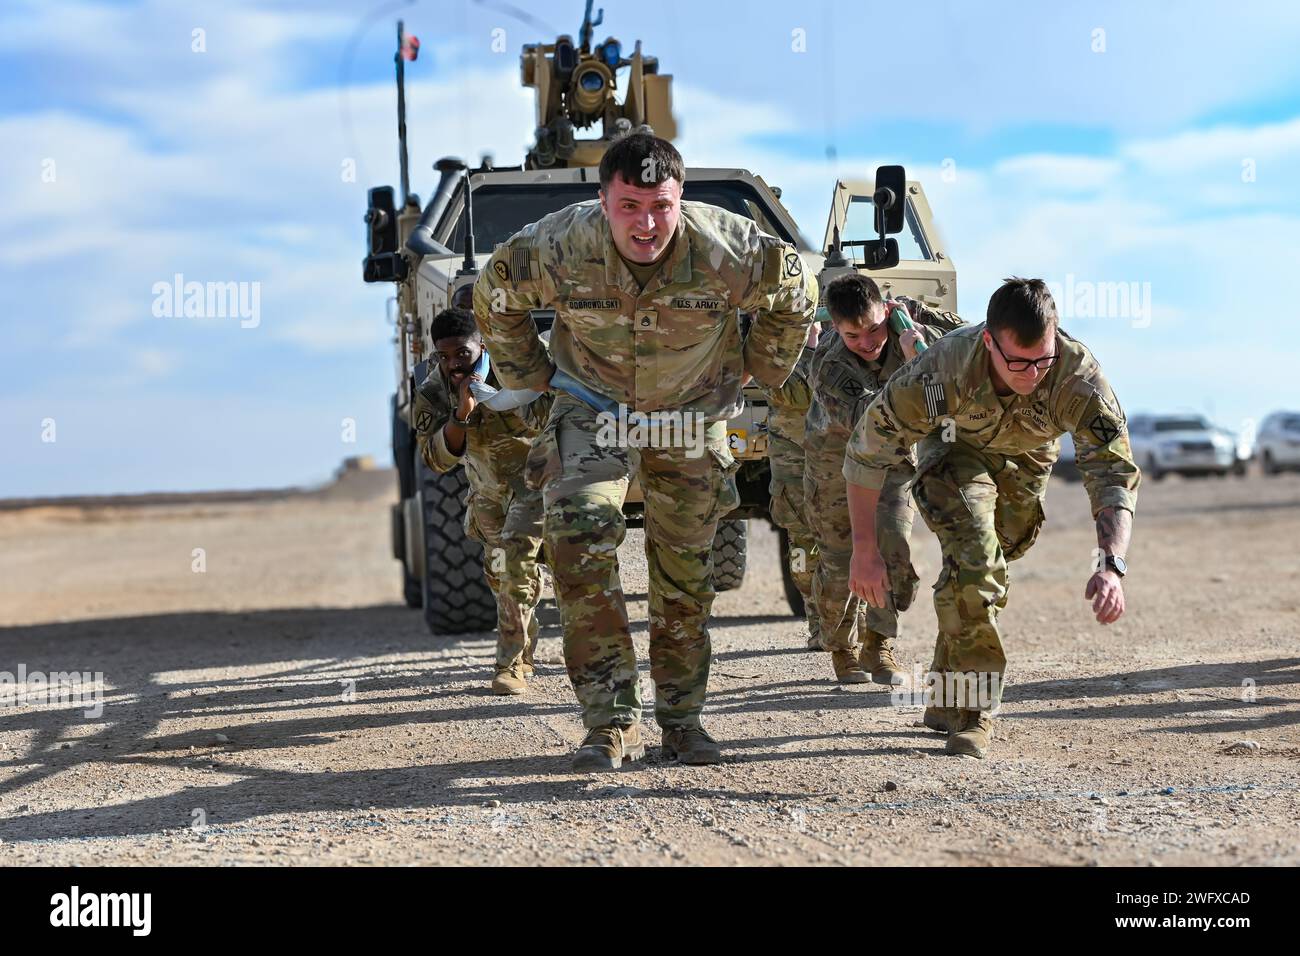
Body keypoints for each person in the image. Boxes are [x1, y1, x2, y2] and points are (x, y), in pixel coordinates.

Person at [474, 131, 816, 770]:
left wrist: (758, 368)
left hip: (690, 415)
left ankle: (682, 723)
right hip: (594, 407)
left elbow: (798, 294)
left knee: (685, 570)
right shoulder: (558, 244)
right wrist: (530, 377)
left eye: (660, 205)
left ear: (680, 196)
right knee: (577, 538)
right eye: (629, 206)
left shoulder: (729, 248)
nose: (647, 222)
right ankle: (608, 723)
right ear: (603, 200)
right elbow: (495, 295)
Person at [845, 277, 1140, 758]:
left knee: (985, 565)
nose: (1031, 374)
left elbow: (1112, 471)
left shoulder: (1078, 379)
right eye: (1017, 362)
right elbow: (867, 449)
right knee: (979, 564)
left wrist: (1112, 565)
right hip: (953, 451)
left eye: (1042, 360)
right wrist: (864, 550)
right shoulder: (944, 368)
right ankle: (972, 710)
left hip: (1027, 463)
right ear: (988, 340)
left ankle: (944, 693)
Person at [804, 274, 964, 684]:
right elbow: (870, 421)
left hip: (891, 458)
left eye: (874, 328)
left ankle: (878, 641)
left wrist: (921, 345)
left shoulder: (909, 324)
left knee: (892, 547)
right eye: (853, 334)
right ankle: (842, 647)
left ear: (887, 311)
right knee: (842, 560)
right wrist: (917, 370)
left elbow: (970, 346)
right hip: (835, 459)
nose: (868, 341)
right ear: (836, 328)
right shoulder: (829, 363)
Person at [413, 307, 551, 695]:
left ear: (483, 344)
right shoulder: (433, 390)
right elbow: (435, 460)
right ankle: (523, 654)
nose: (454, 364)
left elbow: (555, 414)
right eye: (444, 356)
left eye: (462, 354)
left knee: (518, 567)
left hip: (538, 484)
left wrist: (506, 397)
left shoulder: (522, 364)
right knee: (504, 578)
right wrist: (460, 416)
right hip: (489, 496)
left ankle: (508, 665)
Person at [757, 321, 823, 650]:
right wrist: (809, 347)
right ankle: (817, 625)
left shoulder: (845, 344)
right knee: (802, 551)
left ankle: (852, 627)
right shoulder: (777, 352)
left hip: (835, 466)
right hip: (794, 471)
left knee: (848, 547)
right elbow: (791, 392)